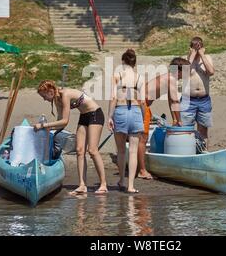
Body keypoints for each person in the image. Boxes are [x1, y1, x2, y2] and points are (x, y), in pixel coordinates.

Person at [34, 80, 108, 195]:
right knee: (79, 150)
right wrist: (48, 132)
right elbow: (59, 122)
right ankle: (82, 185)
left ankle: (103, 184)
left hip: (95, 114)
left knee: (92, 150)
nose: (44, 99)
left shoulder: (65, 95)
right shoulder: (57, 100)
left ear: (50, 91)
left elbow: (65, 121)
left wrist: (44, 125)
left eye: (44, 96)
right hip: (84, 116)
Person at [137, 57, 190, 180]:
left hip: (141, 103)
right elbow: (176, 101)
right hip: (141, 103)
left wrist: (175, 119)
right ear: (179, 71)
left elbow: (171, 100)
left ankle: (140, 166)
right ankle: (142, 170)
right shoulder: (171, 79)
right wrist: (180, 121)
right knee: (143, 139)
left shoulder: (168, 78)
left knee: (141, 137)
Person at [108, 49, 144, 194]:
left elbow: (113, 98)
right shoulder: (139, 77)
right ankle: (131, 186)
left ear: (123, 62)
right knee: (133, 151)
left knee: (121, 150)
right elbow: (142, 101)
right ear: (134, 63)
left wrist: (110, 117)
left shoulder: (117, 75)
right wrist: (142, 116)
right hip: (135, 111)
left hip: (121, 110)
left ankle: (122, 180)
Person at [181, 37, 215, 149]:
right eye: (194, 46)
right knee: (186, 130)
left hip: (203, 100)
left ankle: (203, 151)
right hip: (188, 100)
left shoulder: (207, 58)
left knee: (203, 130)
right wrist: (192, 55)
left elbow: (211, 72)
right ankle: (187, 151)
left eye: (199, 46)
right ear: (190, 48)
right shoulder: (184, 60)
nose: (197, 48)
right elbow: (184, 73)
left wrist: (202, 55)